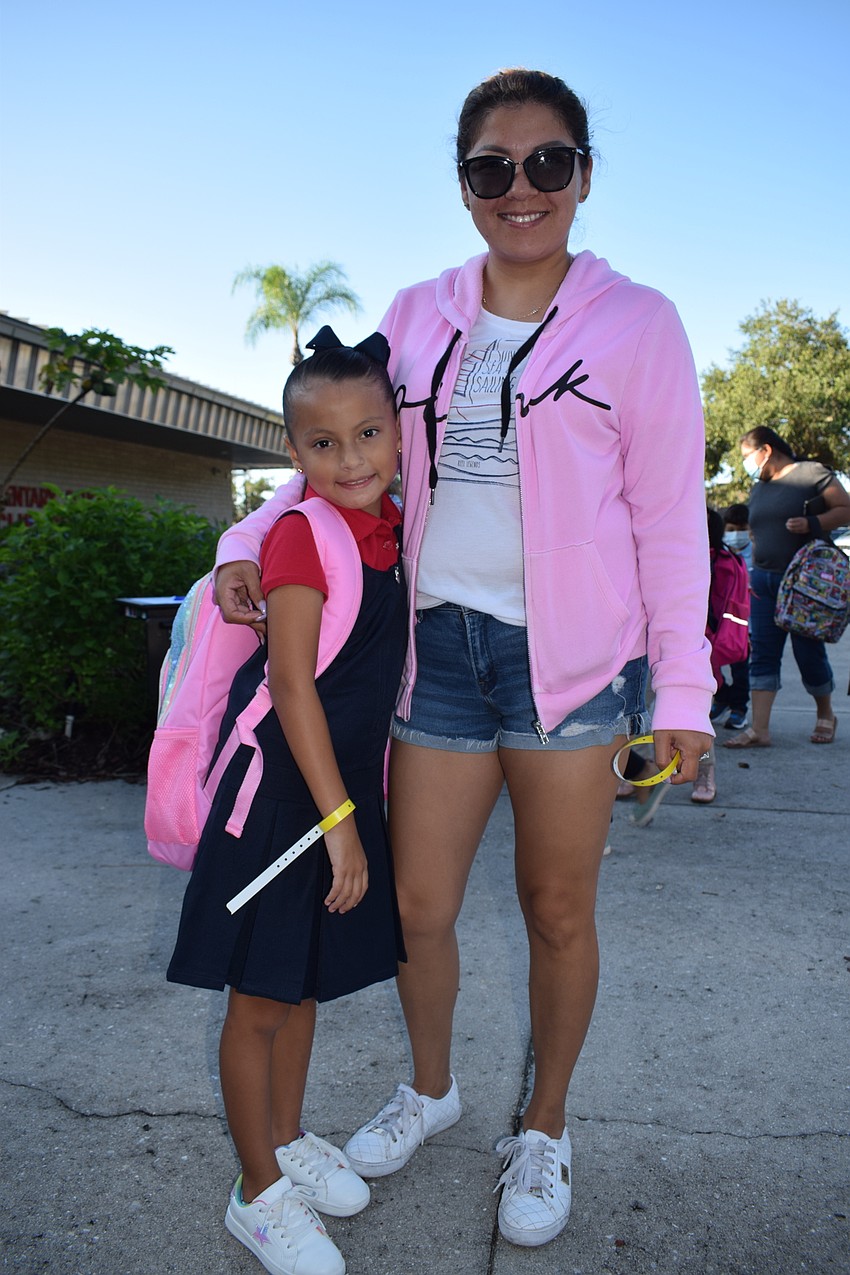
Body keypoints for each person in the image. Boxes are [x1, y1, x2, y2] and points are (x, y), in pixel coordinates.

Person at [214, 68, 714, 1248]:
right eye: (493, 168)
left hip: (572, 670)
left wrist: (681, 686)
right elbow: (338, 452)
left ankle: (542, 1125)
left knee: (555, 908)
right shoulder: (420, 309)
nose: (521, 189)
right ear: (465, 185)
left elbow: (666, 517)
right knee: (420, 905)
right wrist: (246, 540)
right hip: (435, 655)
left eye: (548, 163)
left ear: (583, 175)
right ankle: (431, 1091)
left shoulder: (637, 323)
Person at [167, 333, 407, 1275]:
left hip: (331, 791)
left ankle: (291, 1134)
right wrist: (341, 824)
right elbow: (294, 686)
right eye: (323, 443)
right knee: (259, 999)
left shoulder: (386, 521)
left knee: (300, 978)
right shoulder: (304, 533)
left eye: (369, 433)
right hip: (281, 799)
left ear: (397, 432)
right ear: (292, 450)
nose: (351, 460)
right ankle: (256, 1187)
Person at [725, 425, 850, 749]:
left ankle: (826, 714)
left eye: (748, 457)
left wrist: (813, 523)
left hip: (803, 585)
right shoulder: (760, 487)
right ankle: (760, 730)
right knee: (763, 655)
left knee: (808, 653)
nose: (747, 464)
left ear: (765, 450)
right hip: (763, 582)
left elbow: (846, 508)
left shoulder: (811, 474)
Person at [709, 502, 752, 730]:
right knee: (712, 667)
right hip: (722, 625)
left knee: (740, 668)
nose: (736, 535)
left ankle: (738, 708)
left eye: (741, 528)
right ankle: (725, 698)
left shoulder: (735, 559)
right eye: (731, 529)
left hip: (741, 628)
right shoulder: (719, 557)